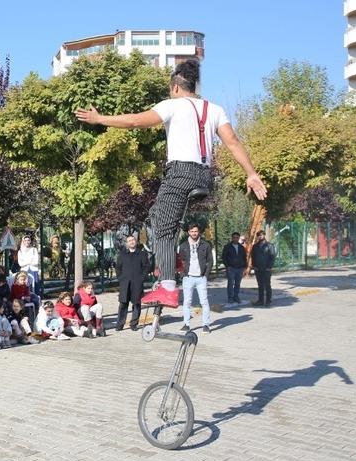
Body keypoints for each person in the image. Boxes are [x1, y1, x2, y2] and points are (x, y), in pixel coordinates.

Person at [76, 59, 267, 308]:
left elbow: (135, 121)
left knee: (162, 228)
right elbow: (232, 142)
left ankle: (167, 286)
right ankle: (173, 261)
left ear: (176, 86)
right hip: (204, 176)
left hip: (179, 172)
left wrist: (99, 119)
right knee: (159, 214)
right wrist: (251, 173)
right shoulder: (215, 109)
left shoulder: (172, 105)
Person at [179, 223, 213, 333]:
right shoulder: (183, 245)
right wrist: (182, 274)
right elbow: (180, 261)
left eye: (196, 231)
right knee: (187, 302)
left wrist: (206, 275)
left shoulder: (205, 245)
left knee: (204, 301)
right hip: (188, 278)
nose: (194, 233)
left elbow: (210, 261)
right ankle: (186, 324)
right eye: (192, 231)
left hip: (201, 278)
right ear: (188, 232)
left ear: (199, 232)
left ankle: (206, 325)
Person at [115, 236, 150, 331]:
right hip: (125, 283)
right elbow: (118, 268)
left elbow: (146, 267)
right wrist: (121, 278)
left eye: (133, 240)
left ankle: (134, 324)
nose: (131, 242)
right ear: (127, 243)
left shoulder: (142, 254)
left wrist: (141, 278)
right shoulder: (122, 255)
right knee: (123, 304)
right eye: (129, 241)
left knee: (137, 304)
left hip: (137, 283)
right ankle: (120, 324)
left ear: (136, 241)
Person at [252, 230, 276, 307]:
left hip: (266, 269)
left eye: (261, 235)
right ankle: (260, 301)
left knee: (267, 285)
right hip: (258, 269)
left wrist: (269, 267)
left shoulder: (270, 245)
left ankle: (268, 301)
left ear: (264, 235)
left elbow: (272, 257)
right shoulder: (255, 246)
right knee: (260, 285)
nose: (260, 236)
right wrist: (254, 266)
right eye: (258, 235)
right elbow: (253, 257)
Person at [221, 232, 247, 305]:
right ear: (232, 238)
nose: (235, 239)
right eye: (234, 237)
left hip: (240, 268)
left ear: (239, 238)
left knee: (238, 283)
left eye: (237, 237)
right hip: (231, 268)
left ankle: (236, 297)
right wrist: (227, 266)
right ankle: (230, 298)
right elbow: (224, 257)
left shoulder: (241, 247)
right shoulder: (227, 247)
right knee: (230, 283)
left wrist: (244, 267)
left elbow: (244, 257)